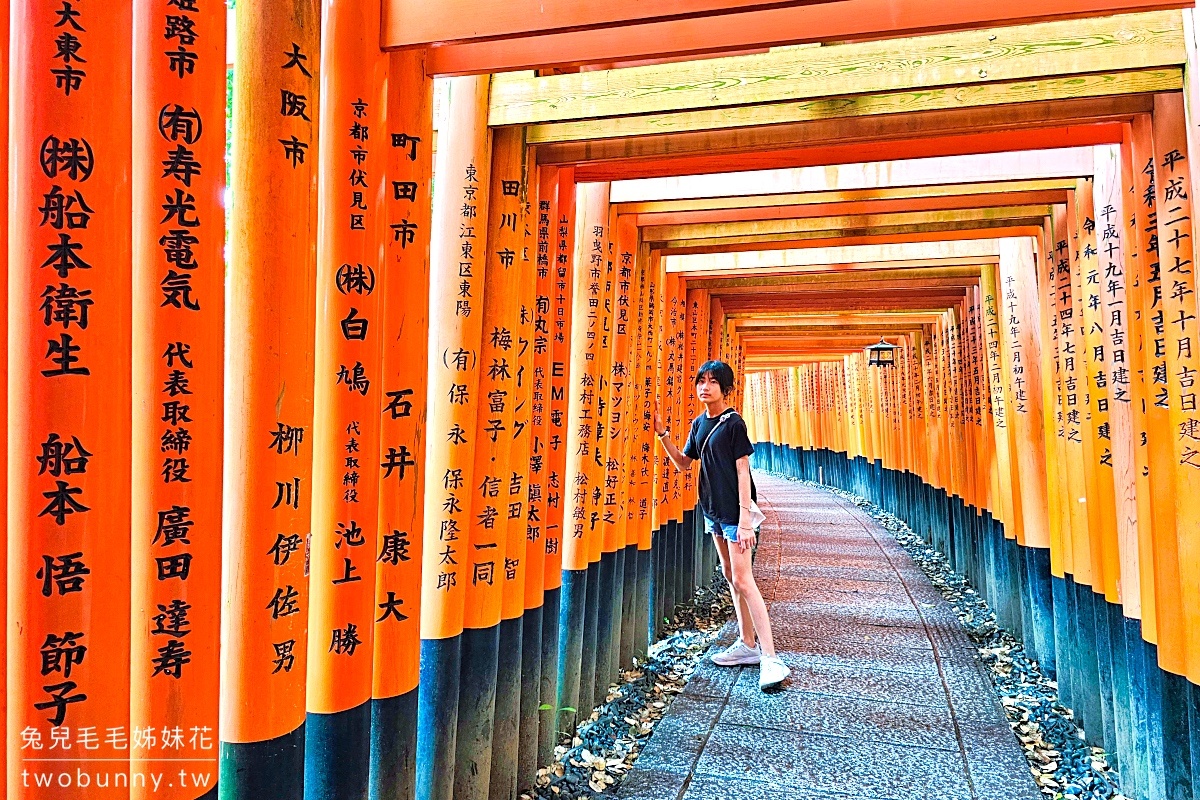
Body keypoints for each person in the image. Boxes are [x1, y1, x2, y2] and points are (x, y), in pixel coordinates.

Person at [654, 359, 790, 691]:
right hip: (712, 511)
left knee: (745, 580)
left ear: (725, 388)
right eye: (701, 381)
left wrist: (745, 520)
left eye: (713, 382)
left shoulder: (733, 424)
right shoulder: (699, 424)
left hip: (735, 515)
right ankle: (746, 644)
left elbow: (743, 472)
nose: (705, 387)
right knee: (730, 576)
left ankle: (770, 658)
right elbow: (685, 464)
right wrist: (663, 435)